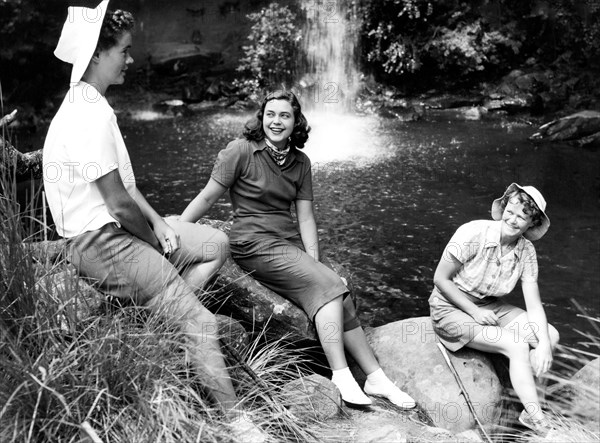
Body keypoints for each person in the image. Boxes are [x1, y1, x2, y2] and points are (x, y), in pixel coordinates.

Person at [42, 2, 264, 440]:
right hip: (100, 242)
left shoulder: (90, 104)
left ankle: (161, 312)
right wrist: (149, 239)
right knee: (201, 323)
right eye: (123, 50)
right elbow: (116, 205)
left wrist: (160, 224)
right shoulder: (87, 115)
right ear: (97, 55)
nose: (129, 58)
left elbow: (125, 189)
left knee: (215, 243)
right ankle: (238, 423)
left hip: (118, 227)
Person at [180, 90, 416, 409]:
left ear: (296, 122)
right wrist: (178, 231)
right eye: (271, 114)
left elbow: (306, 217)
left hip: (286, 242)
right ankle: (342, 375)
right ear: (261, 117)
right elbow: (207, 197)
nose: (276, 121)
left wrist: (313, 263)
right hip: (252, 242)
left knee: (339, 295)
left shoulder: (300, 163)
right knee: (331, 288)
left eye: (284, 116)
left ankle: (376, 378)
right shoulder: (239, 151)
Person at [429, 183, 560, 435]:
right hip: (450, 306)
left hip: (491, 305)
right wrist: (474, 312)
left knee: (550, 336)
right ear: (504, 207)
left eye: (522, 216)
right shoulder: (473, 232)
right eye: (510, 211)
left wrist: (543, 343)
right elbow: (440, 279)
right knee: (517, 345)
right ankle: (541, 424)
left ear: (532, 224)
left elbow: (534, 305)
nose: (513, 219)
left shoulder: (527, 251)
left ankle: (531, 410)